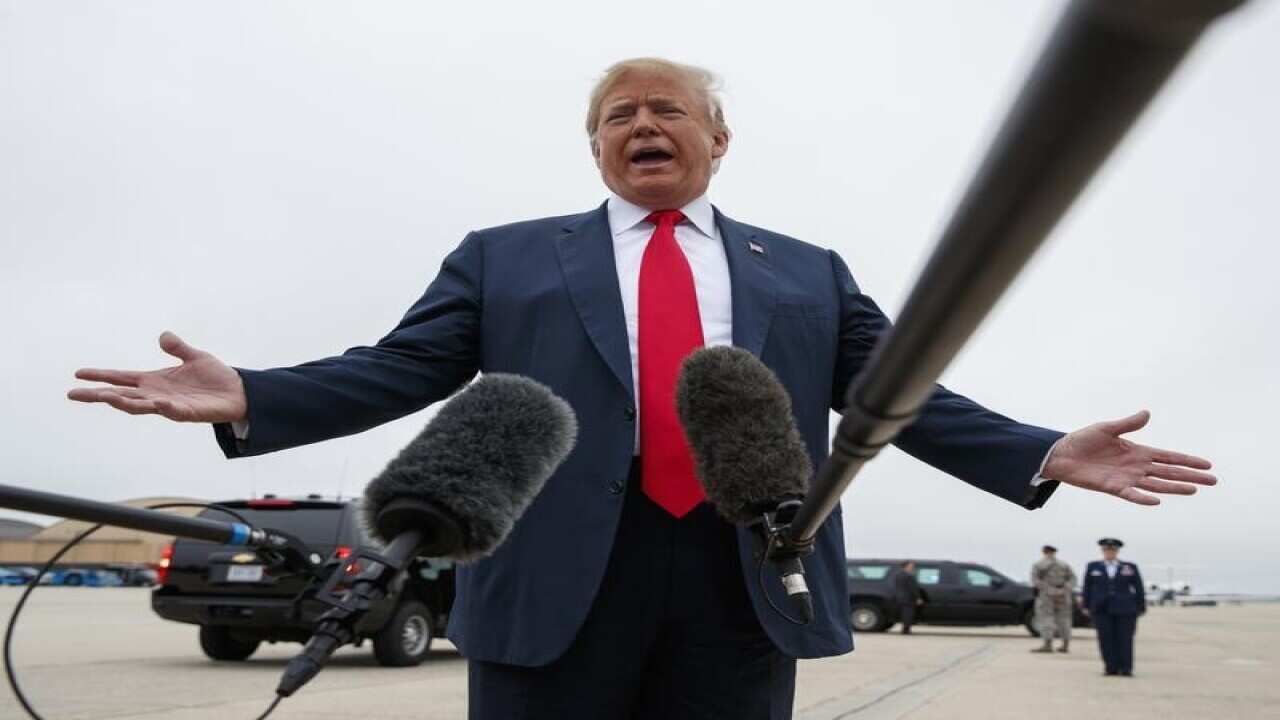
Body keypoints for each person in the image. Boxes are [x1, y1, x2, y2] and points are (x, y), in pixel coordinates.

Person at [67, 58, 1217, 719]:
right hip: (550, 571)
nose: (643, 123)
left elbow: (888, 388)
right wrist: (252, 395)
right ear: (596, 151)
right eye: (619, 114)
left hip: (741, 569)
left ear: (717, 139)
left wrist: (1036, 451)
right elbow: (402, 368)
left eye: (667, 108)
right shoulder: (504, 255)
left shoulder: (803, 270)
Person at [1082, 538, 1146, 676]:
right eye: (1106, 550)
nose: (1109, 553)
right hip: (1101, 609)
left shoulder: (1129, 567)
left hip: (1125, 608)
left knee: (1125, 638)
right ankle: (1110, 667)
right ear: (1103, 551)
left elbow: (1138, 587)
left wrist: (1141, 606)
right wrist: (1086, 605)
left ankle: (1126, 668)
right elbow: (1087, 587)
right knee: (1105, 638)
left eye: (1112, 550)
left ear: (1117, 551)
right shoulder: (1093, 566)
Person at [1030, 544, 1076, 653]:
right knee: (1064, 619)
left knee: (1046, 618)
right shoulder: (1064, 565)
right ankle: (1065, 645)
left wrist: (1050, 590)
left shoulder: (1038, 565)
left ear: (1044, 552)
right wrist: (1064, 590)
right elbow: (1073, 579)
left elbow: (1035, 580)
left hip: (1046, 596)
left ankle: (1048, 645)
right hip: (1063, 595)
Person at [893, 561, 925, 634]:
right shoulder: (909, 576)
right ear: (906, 566)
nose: (913, 567)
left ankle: (905, 629)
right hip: (909, 598)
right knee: (908, 614)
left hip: (899, 597)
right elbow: (913, 588)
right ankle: (906, 630)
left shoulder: (897, 575)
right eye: (911, 566)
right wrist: (918, 598)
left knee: (904, 613)